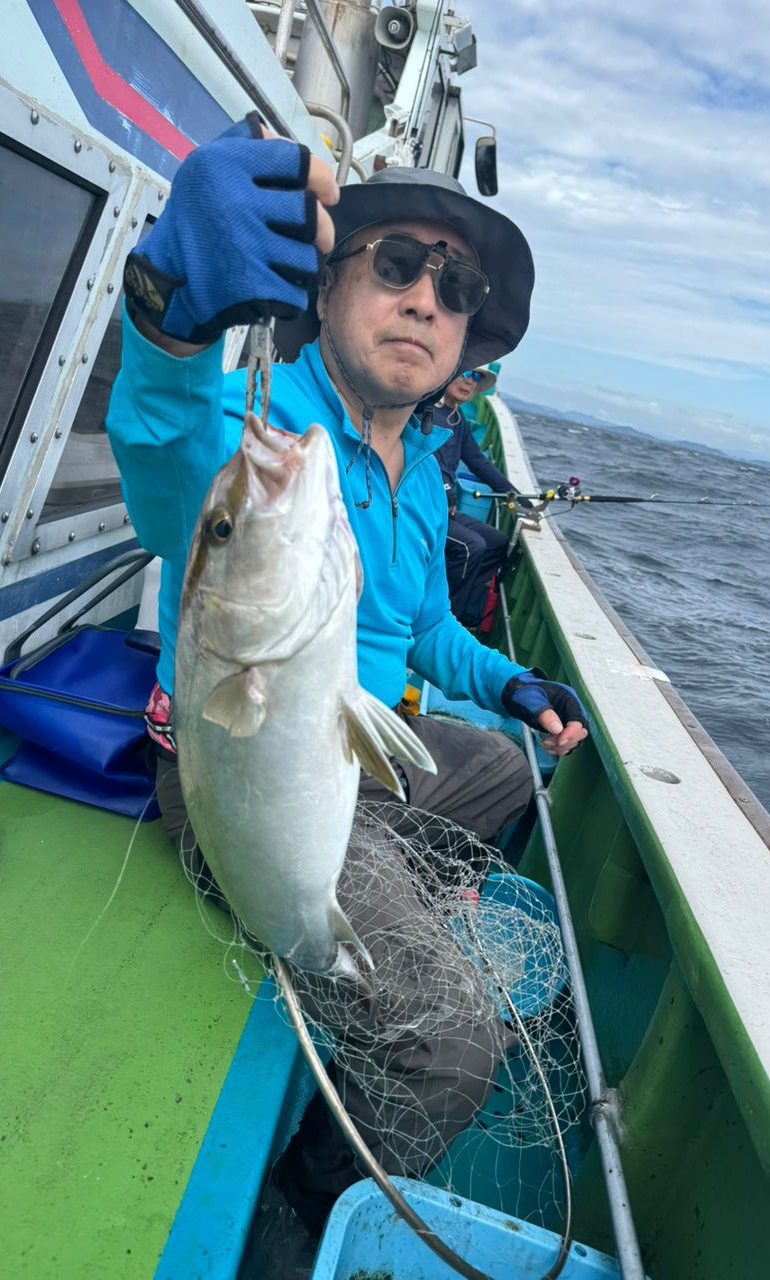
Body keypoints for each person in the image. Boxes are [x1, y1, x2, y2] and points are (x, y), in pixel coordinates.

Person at [105, 112, 588, 1274]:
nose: (425, 298)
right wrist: (167, 314)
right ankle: (297, 1207)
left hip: (361, 748)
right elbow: (170, 460)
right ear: (326, 286)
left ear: (467, 332)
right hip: (252, 768)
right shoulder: (263, 426)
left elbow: (423, 630)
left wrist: (510, 679)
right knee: (451, 1048)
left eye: (455, 286)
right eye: (398, 262)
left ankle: (403, 889)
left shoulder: (423, 471)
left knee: (512, 763)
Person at [434, 366, 514, 622]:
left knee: (496, 543)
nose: (470, 382)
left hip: (445, 513)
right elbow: (422, 459)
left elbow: (478, 462)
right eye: (466, 373)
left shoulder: (459, 420)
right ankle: (440, 617)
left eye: (477, 377)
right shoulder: (425, 412)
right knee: (471, 546)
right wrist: (446, 489)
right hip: (422, 510)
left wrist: (513, 494)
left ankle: (458, 609)